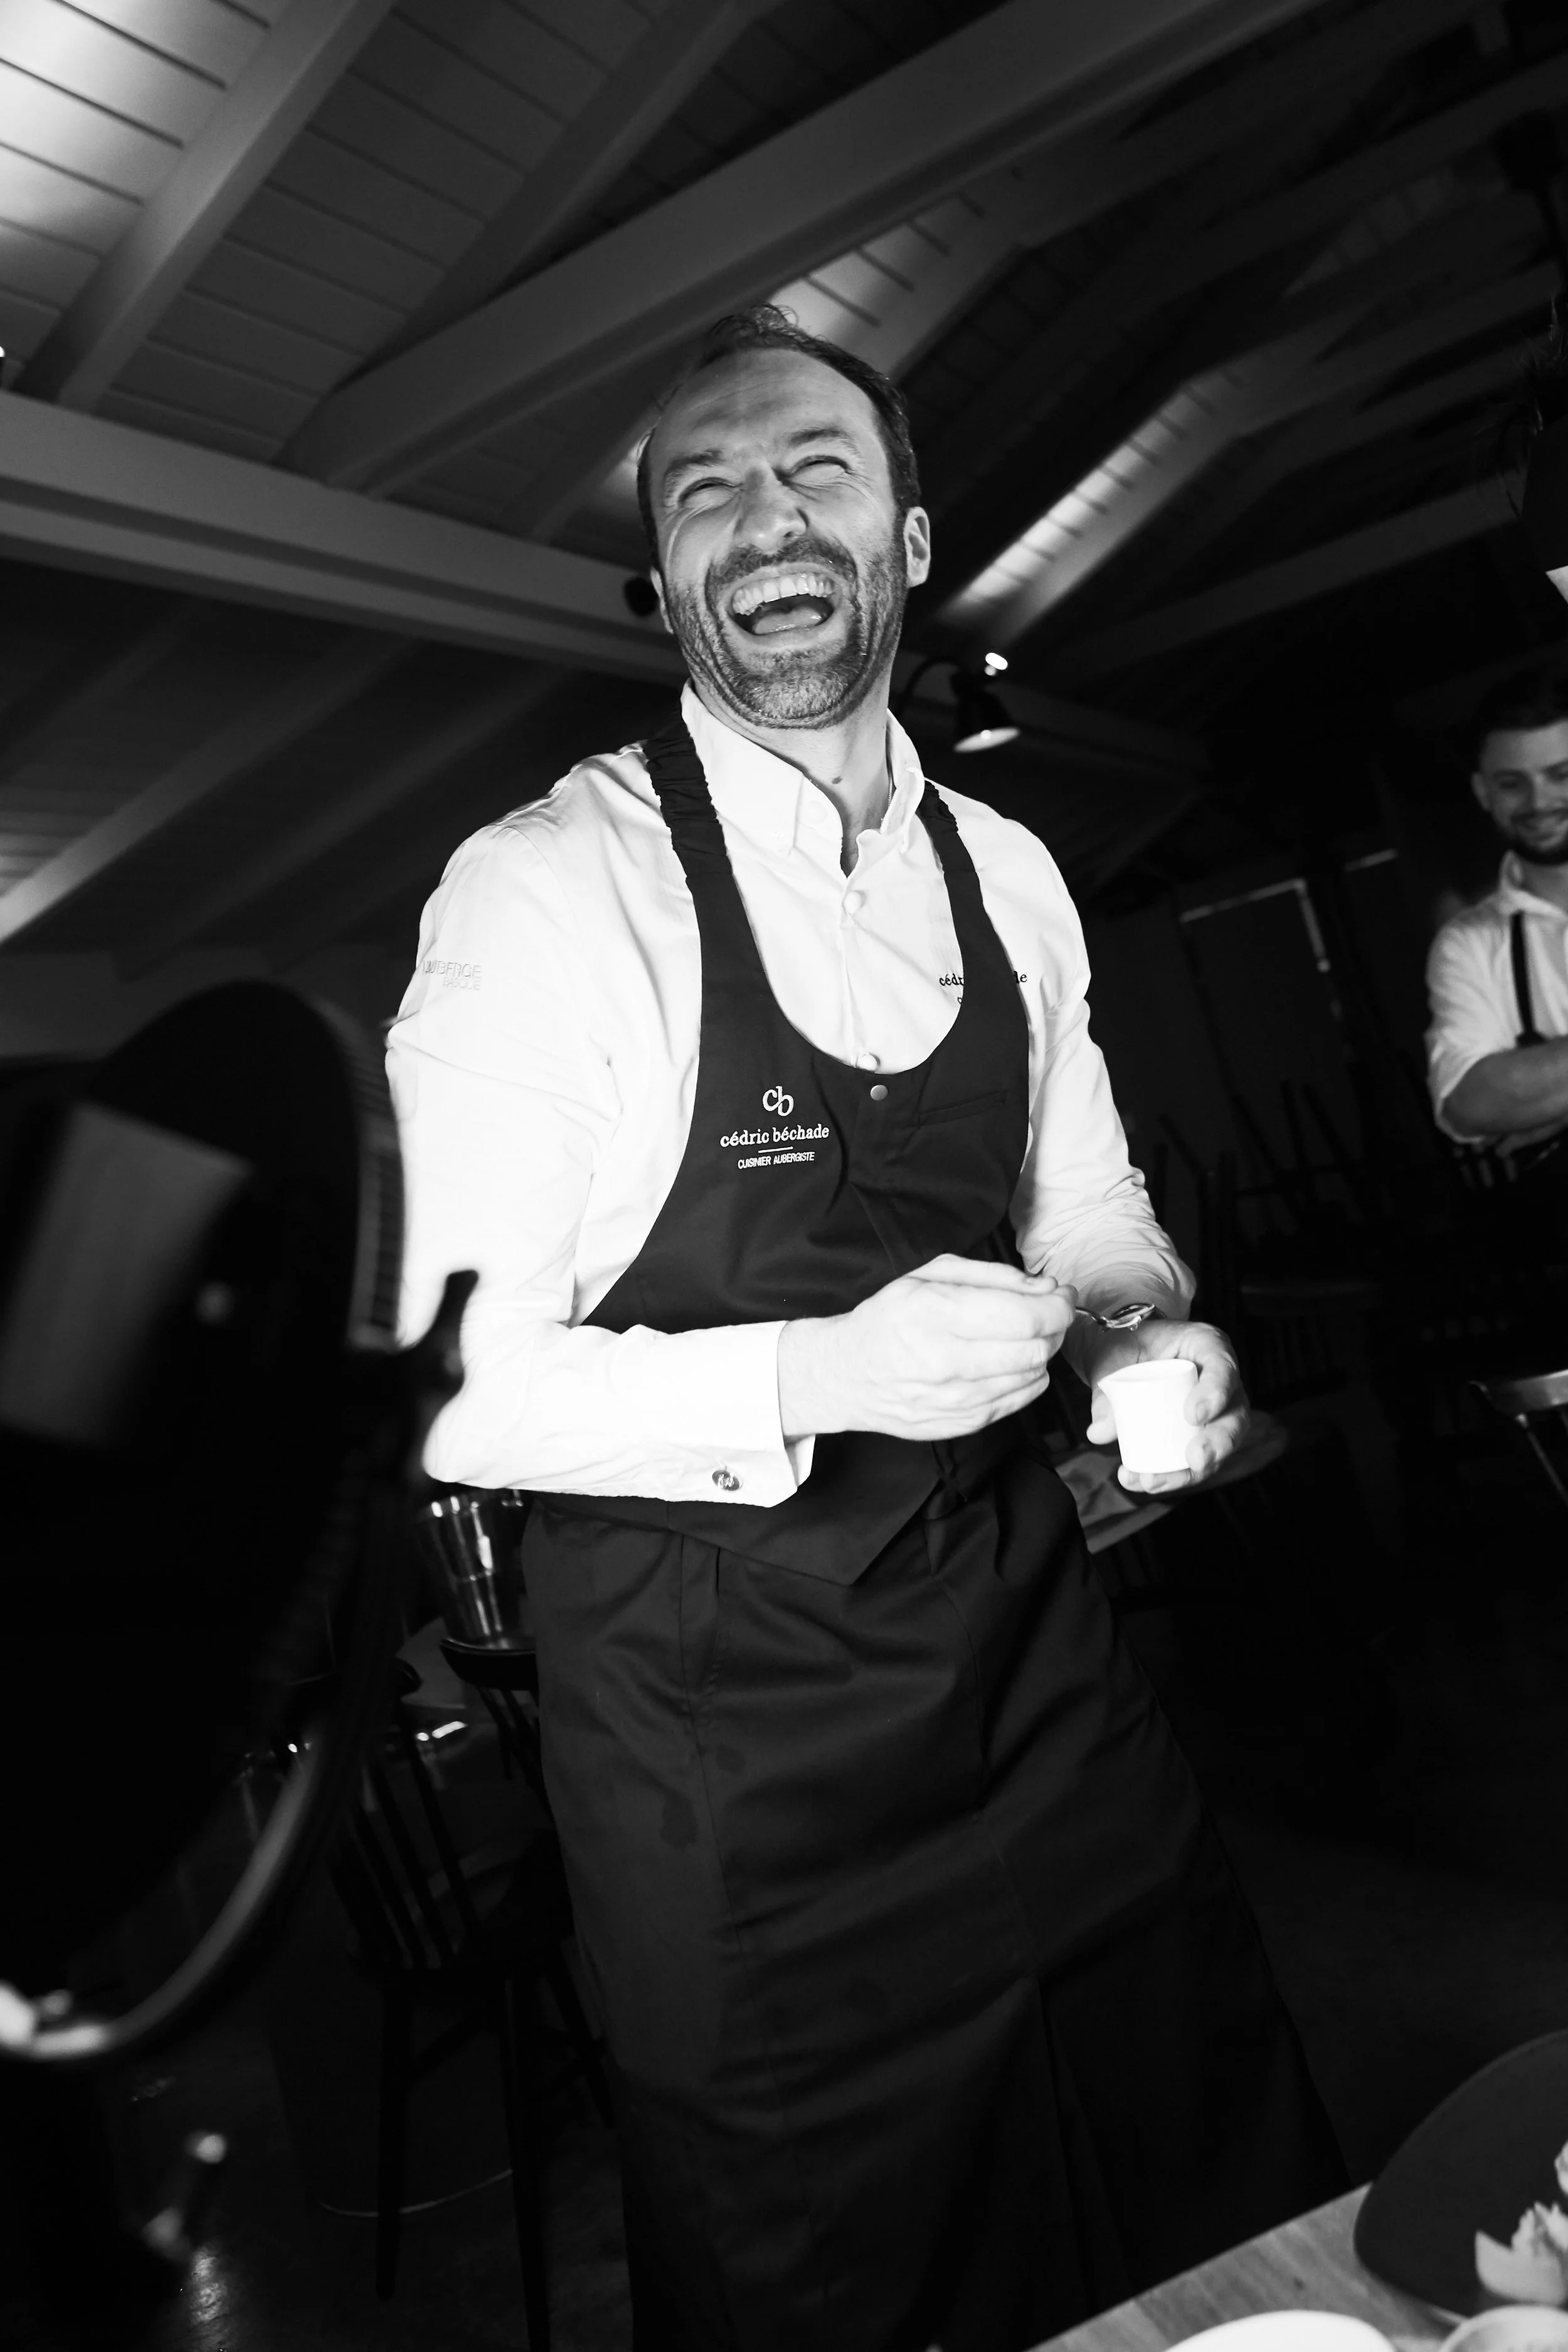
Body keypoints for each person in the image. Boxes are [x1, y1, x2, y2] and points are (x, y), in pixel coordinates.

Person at [389, 306, 1343, 2352]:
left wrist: (1138, 1335)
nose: (765, 523)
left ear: (911, 535)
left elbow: (1089, 1216)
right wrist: (826, 1373)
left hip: (1036, 1698)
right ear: (665, 582)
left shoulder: (1007, 870)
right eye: (706, 492)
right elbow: (452, 1387)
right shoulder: (550, 892)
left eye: (813, 470)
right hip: (730, 1796)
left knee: (1213, 2202)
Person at [1424, 673, 1568, 1203]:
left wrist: (1547, 1095)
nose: (1541, 800)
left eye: (1561, 774)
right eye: (1513, 783)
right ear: (1484, 792)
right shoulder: (1469, 943)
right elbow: (1467, 1101)